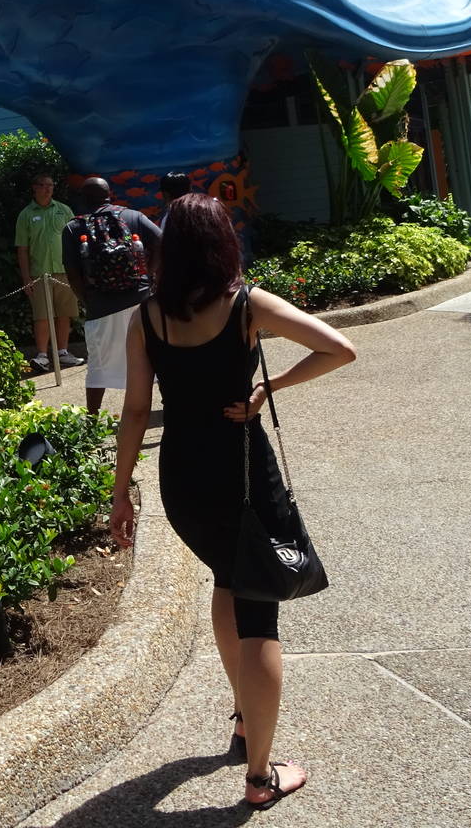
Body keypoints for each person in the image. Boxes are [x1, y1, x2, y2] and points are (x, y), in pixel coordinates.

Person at [110, 193, 356, 808]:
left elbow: (136, 411)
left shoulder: (145, 318)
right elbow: (339, 348)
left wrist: (119, 495)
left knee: (228, 577)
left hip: (182, 481)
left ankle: (245, 720)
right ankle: (259, 777)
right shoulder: (245, 305)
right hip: (243, 473)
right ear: (223, 244)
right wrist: (270, 384)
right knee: (260, 614)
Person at [62, 176, 162, 413]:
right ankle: (172, 408)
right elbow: (161, 241)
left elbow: (72, 272)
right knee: (155, 356)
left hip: (100, 305)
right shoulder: (133, 217)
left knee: (98, 366)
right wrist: (148, 274)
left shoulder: (73, 227)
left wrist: (87, 299)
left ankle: (92, 420)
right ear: (110, 195)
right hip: (140, 300)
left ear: (84, 199)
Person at [14, 174, 82, 370]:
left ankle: (62, 353)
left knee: (65, 314)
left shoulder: (64, 210)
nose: (47, 189)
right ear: (34, 188)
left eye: (50, 185)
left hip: (64, 272)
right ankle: (42, 355)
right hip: (39, 274)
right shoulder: (26, 214)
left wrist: (76, 272)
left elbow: (75, 242)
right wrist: (26, 278)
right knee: (42, 316)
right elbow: (22, 249)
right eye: (42, 185)